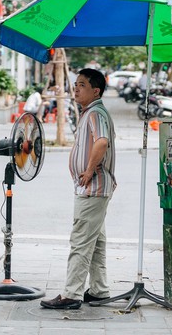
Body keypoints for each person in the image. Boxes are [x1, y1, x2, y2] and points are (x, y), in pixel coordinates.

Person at [40, 68, 116, 310]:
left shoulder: (95, 113)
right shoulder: (90, 113)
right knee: (96, 242)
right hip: (93, 188)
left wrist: (89, 170)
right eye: (75, 84)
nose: (76, 88)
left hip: (93, 189)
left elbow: (101, 142)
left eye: (81, 85)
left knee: (81, 241)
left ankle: (71, 294)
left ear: (96, 91)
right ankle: (99, 290)